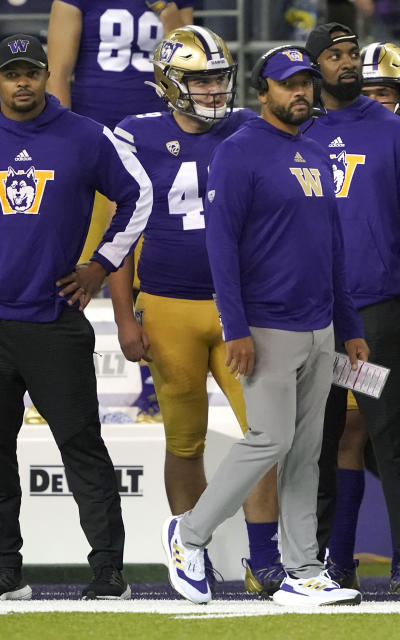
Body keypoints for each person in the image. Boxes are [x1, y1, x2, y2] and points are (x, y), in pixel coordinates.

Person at [0, 33, 153, 601]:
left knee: (81, 442)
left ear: (45, 76)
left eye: (32, 73)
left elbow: (139, 193)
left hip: (55, 317)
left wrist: (102, 264)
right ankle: (5, 569)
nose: (23, 83)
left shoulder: (86, 136)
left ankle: (109, 571)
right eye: (12, 74)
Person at [161, 45, 367, 608]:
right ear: (262, 93)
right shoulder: (238, 152)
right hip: (267, 324)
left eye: (306, 82)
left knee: (306, 449)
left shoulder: (318, 152)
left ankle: (303, 568)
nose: (300, 92)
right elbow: (220, 247)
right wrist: (236, 327)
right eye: (287, 84)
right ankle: (190, 533)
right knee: (270, 439)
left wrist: (348, 324)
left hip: (320, 326)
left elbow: (334, 249)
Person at [109, 25, 284, 598]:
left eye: (217, 78)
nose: (212, 89)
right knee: (184, 442)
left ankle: (265, 560)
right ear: (168, 82)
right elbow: (119, 232)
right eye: (199, 79)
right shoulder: (136, 136)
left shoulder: (251, 130)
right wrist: (125, 317)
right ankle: (193, 554)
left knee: (266, 436)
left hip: (244, 309)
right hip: (167, 306)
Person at [302, 22, 400, 601]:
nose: (346, 63)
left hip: (374, 318)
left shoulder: (394, 134)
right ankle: (308, 570)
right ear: (314, 68)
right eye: (334, 56)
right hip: (310, 319)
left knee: (393, 441)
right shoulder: (296, 131)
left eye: (349, 54)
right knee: (313, 444)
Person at [45, 0, 194, 424]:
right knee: (68, 269)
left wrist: (167, 9)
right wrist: (65, 141)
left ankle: (155, 388)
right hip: (93, 142)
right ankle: (52, 390)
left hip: (154, 145)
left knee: (151, 270)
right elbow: (59, 70)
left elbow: (189, 62)